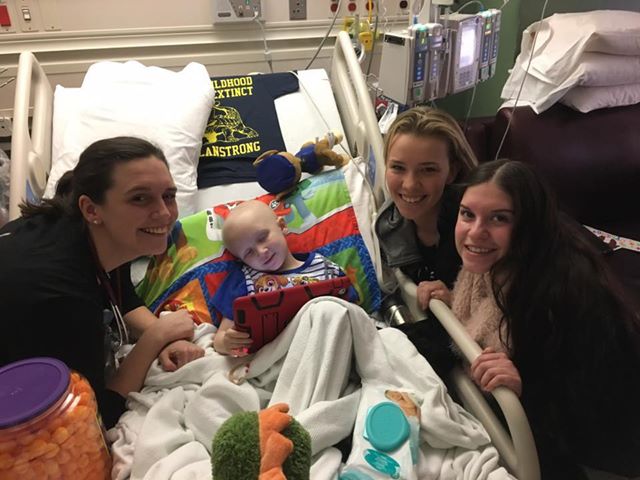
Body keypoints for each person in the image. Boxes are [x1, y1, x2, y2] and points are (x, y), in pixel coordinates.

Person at [419, 159, 640, 478]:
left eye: (499, 218)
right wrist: (451, 301)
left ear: (528, 224)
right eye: (467, 214)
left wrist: (525, 385)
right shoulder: (499, 262)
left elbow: (593, 404)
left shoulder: (564, 293)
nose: (475, 232)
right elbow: (487, 310)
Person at [0, 137, 204, 429]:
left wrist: (164, 333)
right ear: (92, 209)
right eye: (140, 198)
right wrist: (155, 338)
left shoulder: (91, 233)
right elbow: (95, 416)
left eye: (168, 195)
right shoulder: (59, 295)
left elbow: (121, 294)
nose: (164, 213)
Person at [374, 106, 477, 376]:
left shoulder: (476, 226)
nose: (409, 184)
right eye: (398, 167)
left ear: (452, 172)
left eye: (428, 170)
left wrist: (457, 301)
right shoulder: (389, 226)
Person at [212, 200, 353, 356]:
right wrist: (227, 342)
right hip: (280, 356)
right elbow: (219, 339)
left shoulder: (325, 268)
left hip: (329, 346)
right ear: (241, 260)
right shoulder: (244, 279)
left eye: (262, 238)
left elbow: (352, 313)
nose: (261, 251)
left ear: (281, 226)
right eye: (249, 252)